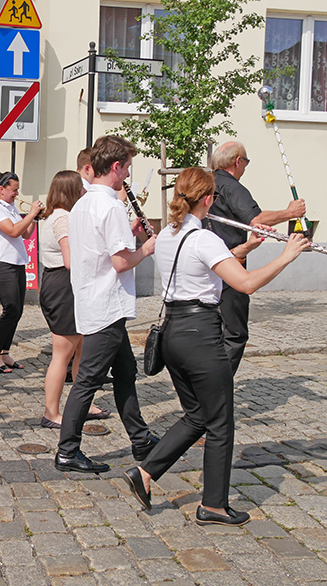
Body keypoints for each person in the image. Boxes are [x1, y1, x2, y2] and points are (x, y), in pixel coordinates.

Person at [123, 167, 309, 525]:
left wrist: (246, 246)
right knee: (221, 422)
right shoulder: (204, 238)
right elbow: (245, 284)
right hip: (201, 334)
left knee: (198, 416)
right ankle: (214, 505)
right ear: (208, 199)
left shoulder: (167, 235)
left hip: (173, 333)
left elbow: (202, 264)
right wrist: (286, 255)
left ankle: (145, 474)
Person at [55, 135, 157, 474]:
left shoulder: (83, 202)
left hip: (94, 300)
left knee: (126, 371)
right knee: (87, 381)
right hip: (106, 304)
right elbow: (121, 262)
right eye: (126, 168)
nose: (127, 175)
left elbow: (101, 248)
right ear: (115, 167)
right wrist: (148, 247)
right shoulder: (110, 204)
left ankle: (140, 438)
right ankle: (67, 451)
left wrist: (131, 235)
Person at [209, 141, 307, 374]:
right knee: (235, 332)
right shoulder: (233, 188)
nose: (245, 167)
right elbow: (256, 220)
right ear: (237, 161)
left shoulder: (205, 184)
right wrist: (290, 213)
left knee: (213, 330)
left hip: (206, 264)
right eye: (246, 162)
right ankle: (217, 387)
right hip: (230, 264)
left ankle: (206, 385)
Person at [38, 170, 110, 429]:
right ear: (70, 191)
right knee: (62, 354)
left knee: (81, 350)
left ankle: (82, 403)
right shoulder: (63, 218)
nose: (84, 192)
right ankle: (51, 412)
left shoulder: (63, 216)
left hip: (66, 285)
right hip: (63, 287)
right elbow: (71, 261)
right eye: (81, 188)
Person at [0, 172, 42, 373]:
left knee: (17, 310)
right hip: (2, 263)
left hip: (17, 262)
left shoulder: (10, 207)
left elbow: (25, 234)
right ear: (1, 189)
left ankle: (4, 351)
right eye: (14, 189)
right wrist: (31, 214)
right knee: (10, 308)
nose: (17, 194)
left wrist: (34, 218)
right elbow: (12, 231)